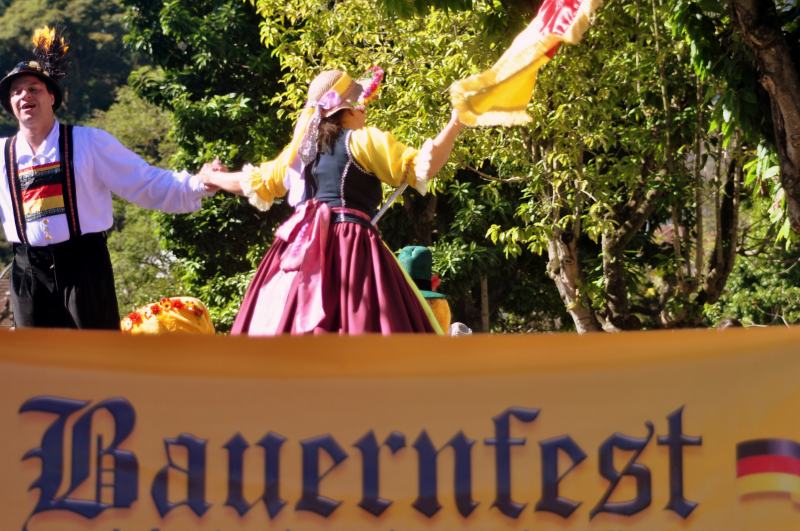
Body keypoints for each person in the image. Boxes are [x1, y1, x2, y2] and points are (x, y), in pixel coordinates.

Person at [202, 68, 463, 334]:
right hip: (349, 246)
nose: (365, 110)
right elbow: (423, 166)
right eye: (360, 103)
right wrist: (456, 123)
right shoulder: (361, 141)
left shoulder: (296, 156)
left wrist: (210, 177)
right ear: (346, 109)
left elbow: (253, 183)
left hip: (296, 251)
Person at [0, 27, 216, 329]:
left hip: (84, 269)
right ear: (10, 105)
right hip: (28, 275)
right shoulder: (2, 155)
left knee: (95, 363)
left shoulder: (88, 142)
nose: (24, 95)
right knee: (37, 369)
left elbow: (146, 182)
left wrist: (199, 183)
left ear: (51, 96)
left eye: (34, 88)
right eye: (16, 91)